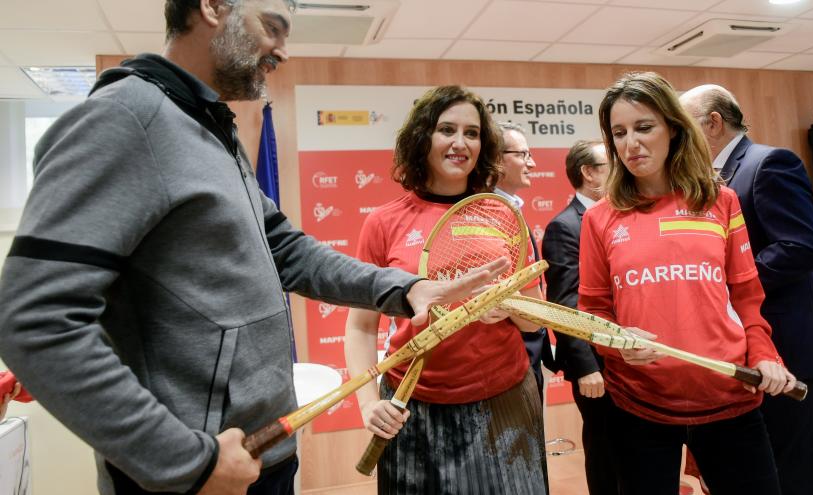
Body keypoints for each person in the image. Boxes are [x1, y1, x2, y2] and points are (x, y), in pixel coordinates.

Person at [0, 2, 506, 495]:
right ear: (214, 7)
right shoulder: (124, 120)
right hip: (195, 475)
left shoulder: (210, 130)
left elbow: (288, 250)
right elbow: (33, 320)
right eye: (273, 27)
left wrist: (408, 288)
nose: (282, 50)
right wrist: (185, 463)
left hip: (261, 453)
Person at [579, 71, 797, 495]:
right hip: (637, 404)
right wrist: (615, 340)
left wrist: (765, 355)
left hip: (729, 397)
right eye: (619, 133)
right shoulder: (599, 219)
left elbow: (747, 298)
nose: (630, 144)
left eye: (644, 128)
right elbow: (593, 311)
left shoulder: (721, 202)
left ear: (674, 130)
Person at [344, 85, 547, 494]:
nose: (460, 143)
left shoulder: (502, 214)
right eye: (447, 130)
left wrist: (508, 305)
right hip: (412, 405)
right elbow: (361, 327)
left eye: (472, 133)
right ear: (423, 138)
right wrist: (368, 404)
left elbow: (534, 321)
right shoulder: (383, 222)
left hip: (502, 402)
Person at [680, 84, 813, 495]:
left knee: (795, 475)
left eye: (683, 125)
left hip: (787, 349)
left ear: (713, 123)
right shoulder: (708, 180)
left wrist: (726, 284)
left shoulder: (768, 164)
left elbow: (802, 247)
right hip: (742, 354)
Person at [542, 138, 617, 495]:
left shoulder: (622, 214)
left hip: (628, 356)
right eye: (610, 164)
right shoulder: (565, 226)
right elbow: (565, 302)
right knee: (606, 450)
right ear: (589, 173)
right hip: (596, 365)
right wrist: (587, 364)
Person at [493, 121, 556, 396]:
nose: (532, 163)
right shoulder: (483, 213)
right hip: (505, 360)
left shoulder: (511, 209)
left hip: (530, 353)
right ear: (496, 160)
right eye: (522, 155)